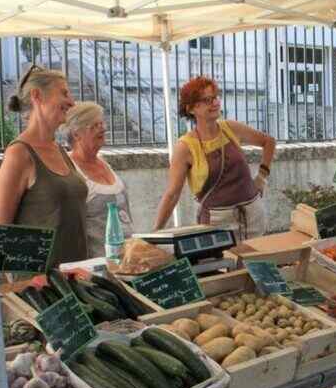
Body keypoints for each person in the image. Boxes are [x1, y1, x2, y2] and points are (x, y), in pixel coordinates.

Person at [154, 76, 276, 240]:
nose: (215, 103)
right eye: (207, 100)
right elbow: (172, 195)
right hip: (217, 224)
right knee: (223, 264)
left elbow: (268, 142)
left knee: (256, 264)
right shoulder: (185, 147)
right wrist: (154, 234)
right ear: (191, 108)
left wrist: (262, 177)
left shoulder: (230, 128)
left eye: (216, 97)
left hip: (253, 216)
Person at [0, 65, 88, 266]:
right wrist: (28, 282)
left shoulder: (59, 150)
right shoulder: (19, 153)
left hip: (75, 276)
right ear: (37, 96)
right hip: (41, 286)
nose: (72, 102)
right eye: (64, 93)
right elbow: (1, 229)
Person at [63, 102, 134, 258]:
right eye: (94, 125)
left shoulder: (103, 161)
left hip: (127, 260)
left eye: (102, 123)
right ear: (76, 134)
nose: (103, 129)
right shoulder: (70, 169)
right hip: (98, 266)